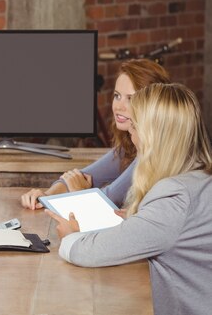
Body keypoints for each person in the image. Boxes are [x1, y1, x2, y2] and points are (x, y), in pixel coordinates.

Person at [46, 83, 212, 315]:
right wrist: (140, 221)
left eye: (134, 127)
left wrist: (72, 236)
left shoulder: (174, 199)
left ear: (154, 136)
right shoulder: (198, 181)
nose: (131, 136)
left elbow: (89, 252)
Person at [20, 58, 169, 209]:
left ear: (152, 105)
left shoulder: (153, 151)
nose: (118, 106)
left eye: (130, 99)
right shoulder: (130, 143)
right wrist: (46, 196)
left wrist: (80, 191)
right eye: (117, 96)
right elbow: (80, 177)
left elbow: (108, 200)